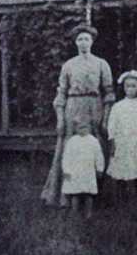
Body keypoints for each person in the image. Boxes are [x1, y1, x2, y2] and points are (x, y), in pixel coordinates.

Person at [41, 23, 115, 207]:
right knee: (70, 149)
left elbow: (109, 93)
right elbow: (61, 93)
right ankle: (65, 197)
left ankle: (97, 197)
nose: (83, 43)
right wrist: (59, 119)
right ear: (75, 42)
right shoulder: (68, 65)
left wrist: (105, 117)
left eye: (87, 39)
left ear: (92, 42)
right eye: (80, 39)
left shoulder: (101, 64)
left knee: (96, 148)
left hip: (94, 107)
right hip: (73, 108)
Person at [106, 70, 137, 204]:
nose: (130, 89)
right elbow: (112, 126)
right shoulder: (117, 106)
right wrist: (112, 142)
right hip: (122, 142)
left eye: (133, 86)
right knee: (122, 171)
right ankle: (122, 200)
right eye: (127, 86)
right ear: (123, 88)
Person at [61, 118, 105, 219]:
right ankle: (74, 212)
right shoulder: (72, 141)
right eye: (80, 128)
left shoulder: (93, 141)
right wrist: (66, 170)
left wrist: (99, 169)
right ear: (76, 129)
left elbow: (99, 156)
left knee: (88, 194)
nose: (83, 130)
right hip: (75, 171)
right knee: (75, 193)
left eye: (85, 127)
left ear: (89, 128)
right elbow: (66, 157)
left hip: (88, 171)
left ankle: (88, 213)